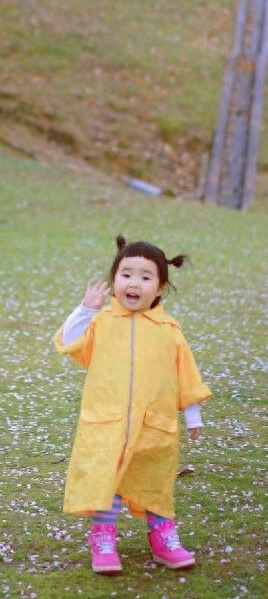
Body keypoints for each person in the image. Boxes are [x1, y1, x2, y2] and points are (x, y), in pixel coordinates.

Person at [54, 235, 211, 574]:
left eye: (145, 276)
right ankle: (103, 538)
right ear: (114, 281)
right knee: (107, 476)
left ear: (160, 288)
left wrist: (193, 415)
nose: (134, 283)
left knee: (154, 478)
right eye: (126, 274)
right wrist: (85, 309)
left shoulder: (169, 330)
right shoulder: (101, 321)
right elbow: (68, 342)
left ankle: (162, 538)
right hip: (106, 422)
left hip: (154, 423)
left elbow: (186, 373)